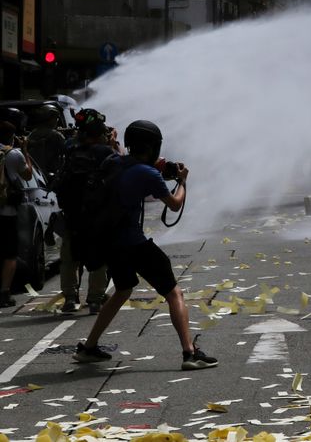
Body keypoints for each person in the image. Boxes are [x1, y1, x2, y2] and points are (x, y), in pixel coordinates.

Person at [73, 120, 217, 371]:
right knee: (174, 292)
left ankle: (89, 348)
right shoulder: (147, 174)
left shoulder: (113, 161)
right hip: (133, 243)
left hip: (109, 242)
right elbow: (174, 204)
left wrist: (162, 166)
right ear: (153, 146)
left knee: (123, 289)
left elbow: (135, 165)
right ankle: (189, 353)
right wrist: (182, 181)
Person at [56, 109, 114, 314]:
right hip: (97, 215)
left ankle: (70, 299)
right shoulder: (105, 152)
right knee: (98, 258)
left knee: (69, 258)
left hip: (72, 214)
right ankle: (95, 300)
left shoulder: (70, 148)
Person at [0, 118, 33, 308]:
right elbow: (27, 174)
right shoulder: (13, 154)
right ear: (11, 136)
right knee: (9, 254)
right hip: (7, 212)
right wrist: (25, 150)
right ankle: (4, 292)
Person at [27, 104, 66, 182]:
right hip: (50, 176)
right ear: (50, 119)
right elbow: (67, 149)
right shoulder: (55, 135)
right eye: (55, 118)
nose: (56, 121)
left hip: (35, 175)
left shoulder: (32, 133)